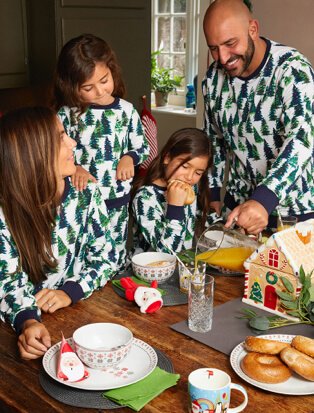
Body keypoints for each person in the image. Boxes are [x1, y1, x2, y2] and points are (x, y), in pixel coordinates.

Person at [0, 107, 117, 359]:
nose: (73, 142)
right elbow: (7, 282)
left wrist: (70, 292)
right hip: (35, 326)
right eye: (61, 137)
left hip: (83, 318)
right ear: (33, 155)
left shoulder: (87, 193)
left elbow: (106, 259)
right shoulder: (4, 212)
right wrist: (28, 321)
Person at [202, 0, 314, 234]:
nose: (222, 58)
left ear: (253, 29)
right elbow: (214, 138)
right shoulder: (213, 77)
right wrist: (212, 190)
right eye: (213, 48)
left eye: (230, 43)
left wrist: (264, 199)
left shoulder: (292, 69)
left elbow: (302, 139)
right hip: (237, 211)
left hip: (295, 215)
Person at [54, 34, 149, 270]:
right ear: (71, 86)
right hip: (80, 200)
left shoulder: (126, 111)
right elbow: (54, 154)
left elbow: (142, 146)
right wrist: (75, 168)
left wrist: (129, 158)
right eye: (88, 87)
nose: (99, 91)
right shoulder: (66, 114)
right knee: (83, 254)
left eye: (104, 80)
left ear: (112, 70)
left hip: (116, 199)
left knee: (114, 252)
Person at [132, 128, 213, 253]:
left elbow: (201, 217)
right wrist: (175, 207)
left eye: (198, 172)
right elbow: (167, 252)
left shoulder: (191, 187)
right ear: (167, 158)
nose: (189, 177)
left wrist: (230, 228)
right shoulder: (145, 197)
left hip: (182, 266)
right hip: (151, 269)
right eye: (185, 166)